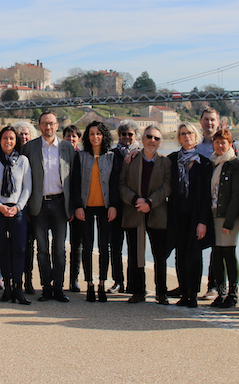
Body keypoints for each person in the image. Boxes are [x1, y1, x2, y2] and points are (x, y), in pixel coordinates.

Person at [24, 111, 75, 303]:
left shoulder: (66, 148)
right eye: (45, 124)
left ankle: (59, 288)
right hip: (39, 206)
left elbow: (74, 179)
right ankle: (46, 287)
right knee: (42, 249)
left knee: (60, 250)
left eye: (51, 123)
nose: (48, 127)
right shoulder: (30, 148)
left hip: (61, 204)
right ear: (39, 126)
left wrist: (72, 206)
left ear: (57, 125)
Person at [119, 125, 171, 304]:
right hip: (134, 212)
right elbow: (122, 185)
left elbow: (167, 187)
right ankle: (138, 291)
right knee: (135, 253)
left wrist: (149, 202)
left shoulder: (165, 162)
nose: (152, 141)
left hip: (156, 213)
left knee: (160, 255)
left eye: (156, 138)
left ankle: (161, 292)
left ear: (160, 142)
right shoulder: (130, 160)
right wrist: (135, 200)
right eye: (149, 137)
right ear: (142, 139)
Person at [73, 121, 122, 302]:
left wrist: (114, 206)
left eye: (98, 133)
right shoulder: (81, 156)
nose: (95, 137)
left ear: (104, 136)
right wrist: (77, 205)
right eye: (92, 133)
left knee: (104, 247)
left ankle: (102, 283)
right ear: (87, 136)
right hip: (86, 207)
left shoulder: (112, 157)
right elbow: (76, 182)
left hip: (105, 208)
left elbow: (115, 184)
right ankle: (90, 285)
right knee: (87, 246)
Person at [0, 125, 32, 305]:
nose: (8, 141)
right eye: (5, 138)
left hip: (18, 210)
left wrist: (18, 207)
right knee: (2, 249)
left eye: (11, 138)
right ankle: (7, 288)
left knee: (19, 250)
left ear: (16, 141)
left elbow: (27, 187)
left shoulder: (23, 161)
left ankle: (19, 288)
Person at [167, 122, 213, 307]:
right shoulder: (171, 160)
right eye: (183, 134)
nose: (187, 137)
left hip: (196, 215)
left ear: (196, 137)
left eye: (190, 134)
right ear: (179, 138)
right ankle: (183, 291)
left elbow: (207, 196)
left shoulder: (205, 163)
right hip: (177, 214)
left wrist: (203, 221)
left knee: (194, 254)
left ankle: (193, 293)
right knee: (180, 254)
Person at [208, 130, 239, 309]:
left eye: (224, 142)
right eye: (217, 142)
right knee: (217, 254)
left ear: (230, 144)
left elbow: (237, 195)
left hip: (228, 216)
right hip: (213, 214)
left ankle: (233, 294)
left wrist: (230, 221)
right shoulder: (212, 162)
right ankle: (220, 293)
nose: (220, 146)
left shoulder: (234, 164)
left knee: (228, 253)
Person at [108, 119, 142, 294]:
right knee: (115, 245)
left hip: (134, 207)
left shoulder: (142, 154)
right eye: (124, 134)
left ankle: (132, 282)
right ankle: (118, 281)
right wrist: (111, 205)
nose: (127, 137)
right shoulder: (112, 155)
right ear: (119, 135)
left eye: (130, 134)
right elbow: (109, 182)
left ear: (136, 136)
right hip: (116, 206)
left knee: (134, 246)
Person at [195, 107, 220, 300]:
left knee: (218, 247)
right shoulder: (195, 146)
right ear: (201, 122)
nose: (209, 123)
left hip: (219, 204)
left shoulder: (226, 145)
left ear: (218, 122)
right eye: (206, 120)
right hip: (200, 202)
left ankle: (215, 286)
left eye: (212, 120)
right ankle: (192, 283)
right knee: (194, 244)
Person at [13, 120, 38, 293]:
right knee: (14, 246)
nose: (23, 136)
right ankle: (14, 280)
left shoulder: (35, 153)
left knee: (29, 246)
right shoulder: (11, 154)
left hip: (33, 206)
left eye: (26, 133)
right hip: (14, 207)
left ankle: (28, 280)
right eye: (20, 133)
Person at [62, 124, 83, 292]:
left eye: (74, 136)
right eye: (68, 136)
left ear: (79, 139)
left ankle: (73, 279)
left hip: (77, 205)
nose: (71, 139)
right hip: (60, 204)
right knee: (59, 244)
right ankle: (58, 279)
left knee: (77, 245)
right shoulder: (57, 154)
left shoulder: (83, 156)